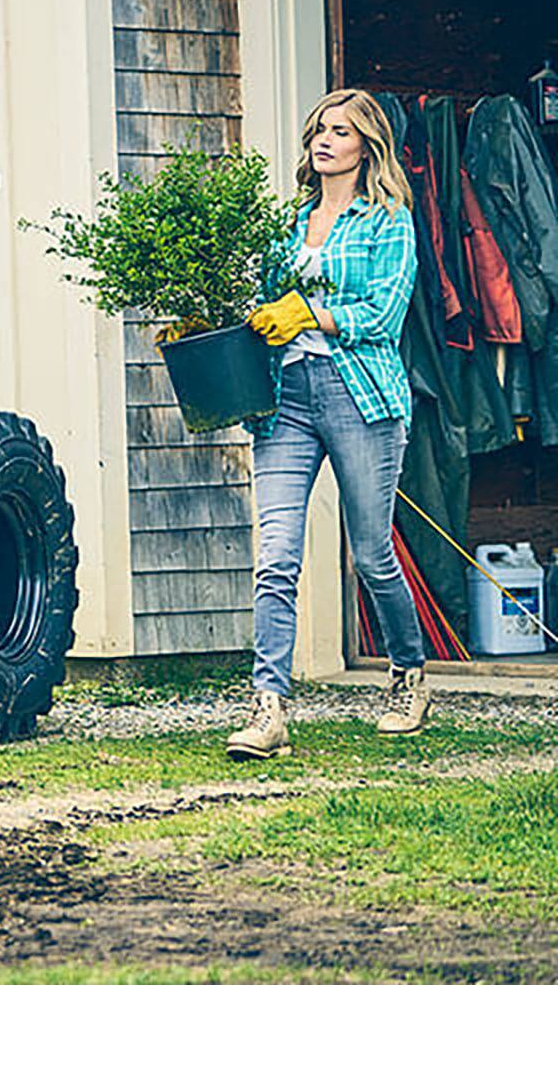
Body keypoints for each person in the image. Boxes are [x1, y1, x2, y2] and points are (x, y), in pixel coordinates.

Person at [228, 88, 428, 760]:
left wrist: (312, 314)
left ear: (365, 145)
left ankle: (408, 676)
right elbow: (262, 299)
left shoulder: (388, 220)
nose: (323, 140)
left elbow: (384, 315)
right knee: (276, 555)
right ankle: (269, 709)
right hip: (286, 395)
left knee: (372, 554)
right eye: (318, 128)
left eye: (339, 131)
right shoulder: (290, 220)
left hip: (360, 395)